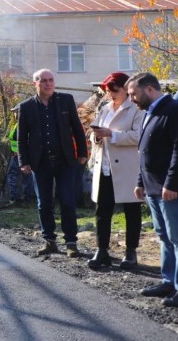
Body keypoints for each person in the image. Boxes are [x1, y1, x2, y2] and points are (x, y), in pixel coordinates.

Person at [17, 69, 88, 257]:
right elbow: (21, 137)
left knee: (67, 201)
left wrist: (82, 151)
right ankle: (49, 241)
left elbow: (77, 128)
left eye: (51, 80)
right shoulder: (26, 107)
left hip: (65, 160)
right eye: (43, 81)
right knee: (44, 203)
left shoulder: (66, 100)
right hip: (40, 162)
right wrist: (23, 161)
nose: (48, 84)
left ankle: (71, 242)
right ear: (35, 83)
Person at [128, 72, 178, 306]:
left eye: (133, 94)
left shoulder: (173, 110)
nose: (132, 99)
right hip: (153, 188)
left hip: (169, 189)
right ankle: (169, 281)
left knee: (176, 238)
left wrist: (172, 183)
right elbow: (145, 150)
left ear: (149, 90)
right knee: (164, 237)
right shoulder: (149, 112)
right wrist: (140, 181)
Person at [87, 72, 144, 270]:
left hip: (127, 167)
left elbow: (139, 136)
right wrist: (97, 136)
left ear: (126, 89)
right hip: (104, 165)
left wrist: (111, 134)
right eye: (107, 90)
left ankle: (131, 252)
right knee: (102, 210)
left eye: (114, 90)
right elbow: (94, 136)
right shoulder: (104, 109)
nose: (110, 94)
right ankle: (101, 250)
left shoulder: (136, 109)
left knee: (132, 210)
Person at [6, 107, 35, 205]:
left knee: (14, 175)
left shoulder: (23, 125)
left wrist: (21, 153)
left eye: (16, 112)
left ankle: (17, 197)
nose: (15, 114)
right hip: (18, 155)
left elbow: (27, 141)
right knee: (26, 175)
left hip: (21, 156)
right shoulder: (18, 124)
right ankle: (27, 197)